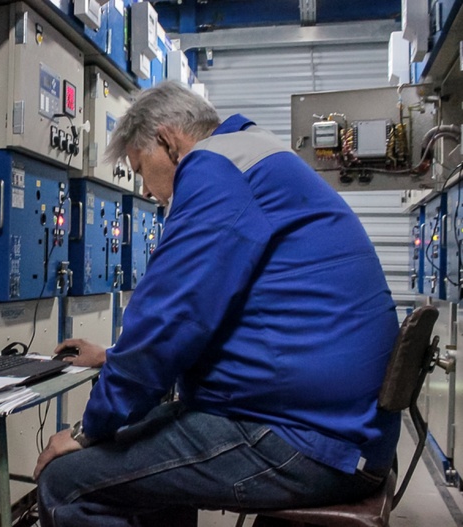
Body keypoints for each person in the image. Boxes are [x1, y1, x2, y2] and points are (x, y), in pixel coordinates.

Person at [33, 80, 400, 527]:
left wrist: (87, 430)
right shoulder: (255, 154)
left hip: (309, 440)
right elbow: (212, 316)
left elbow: (170, 316)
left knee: (66, 480)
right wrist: (114, 358)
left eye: (140, 167)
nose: (144, 191)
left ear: (168, 141)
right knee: (146, 437)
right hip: (341, 427)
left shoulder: (214, 169)